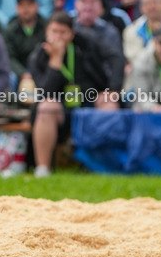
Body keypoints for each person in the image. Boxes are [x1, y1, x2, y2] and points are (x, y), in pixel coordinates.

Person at [27, 12, 112, 178]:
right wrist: (56, 60)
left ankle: (107, 168)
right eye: (54, 32)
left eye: (63, 32)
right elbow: (45, 93)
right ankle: (43, 169)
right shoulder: (39, 56)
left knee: (110, 104)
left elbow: (103, 76)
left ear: (72, 34)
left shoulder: (85, 48)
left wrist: (109, 91)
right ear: (46, 33)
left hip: (87, 105)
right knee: (46, 107)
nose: (58, 37)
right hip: (60, 111)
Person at [3, 0, 47, 91]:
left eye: (29, 4)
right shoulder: (10, 29)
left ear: (36, 6)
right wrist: (22, 73)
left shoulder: (47, 27)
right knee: (10, 77)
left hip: (41, 69)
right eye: (22, 5)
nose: (26, 9)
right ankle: (12, 104)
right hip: (19, 72)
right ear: (16, 8)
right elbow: (9, 57)